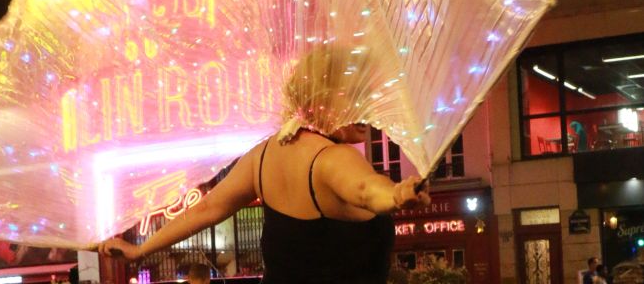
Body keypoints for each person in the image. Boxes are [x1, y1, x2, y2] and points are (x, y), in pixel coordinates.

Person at [97, 47, 430, 284]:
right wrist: (397, 195)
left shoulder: (264, 155)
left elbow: (207, 208)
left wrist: (140, 250)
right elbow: (365, 190)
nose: (367, 107)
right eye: (355, 96)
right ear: (320, 98)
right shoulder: (334, 158)